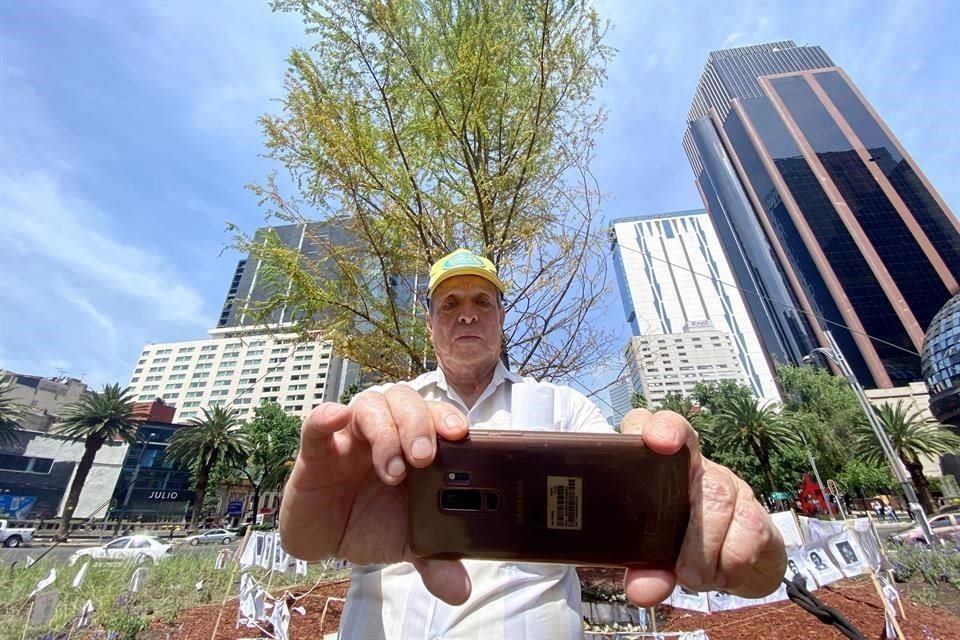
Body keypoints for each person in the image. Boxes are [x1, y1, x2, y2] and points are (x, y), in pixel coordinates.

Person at [279, 248, 787, 639]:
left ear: (501, 318)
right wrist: (303, 523)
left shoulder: (564, 409)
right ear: (431, 324)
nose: (467, 315)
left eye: (482, 301)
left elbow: (639, 505)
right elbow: (309, 533)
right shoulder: (379, 411)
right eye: (449, 304)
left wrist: (722, 529)